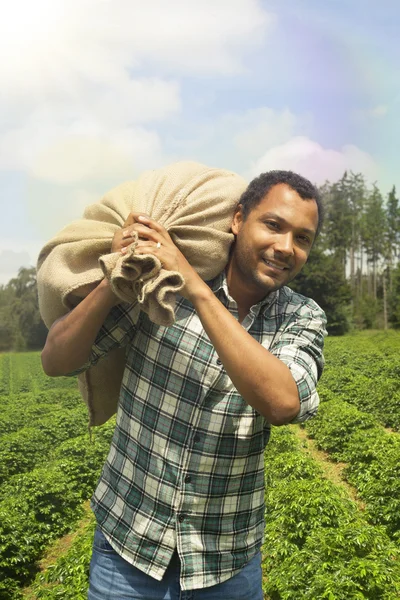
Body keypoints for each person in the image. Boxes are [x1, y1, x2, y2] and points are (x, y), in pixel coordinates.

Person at [41, 169, 327, 600]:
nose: (285, 247)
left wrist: (195, 287)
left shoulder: (301, 316)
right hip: (127, 550)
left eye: (302, 238)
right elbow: (55, 361)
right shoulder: (159, 285)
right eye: (273, 225)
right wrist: (114, 277)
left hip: (225, 562)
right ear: (237, 220)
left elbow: (283, 402)